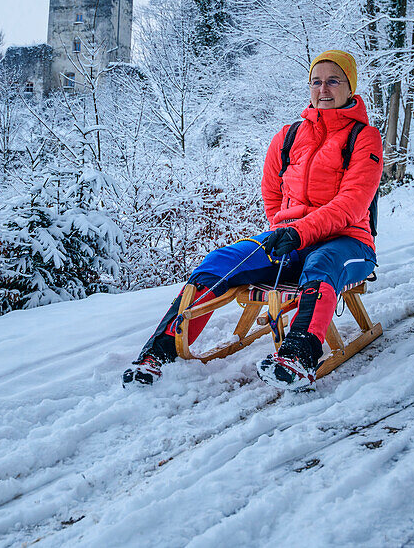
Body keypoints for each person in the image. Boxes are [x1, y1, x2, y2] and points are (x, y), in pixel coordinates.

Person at [123, 49, 384, 390]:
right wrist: (282, 230)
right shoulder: (288, 137)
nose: (323, 89)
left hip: (349, 242)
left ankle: (299, 356)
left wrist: (300, 232)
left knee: (322, 261)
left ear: (350, 87)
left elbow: (351, 204)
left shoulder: (364, 138)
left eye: (333, 81)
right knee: (220, 262)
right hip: (290, 239)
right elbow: (271, 190)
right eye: (316, 82)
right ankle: (158, 353)